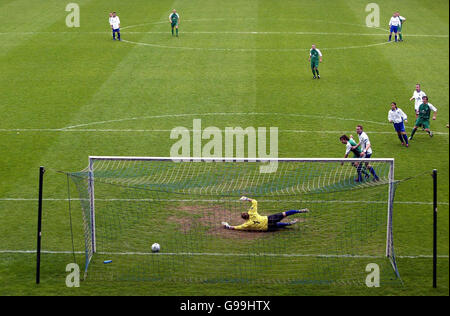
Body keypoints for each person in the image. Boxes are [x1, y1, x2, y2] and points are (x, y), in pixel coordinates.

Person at [222, 197, 309, 232]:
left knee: (277, 225)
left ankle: (289, 224)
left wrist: (228, 226)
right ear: (247, 213)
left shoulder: (247, 224)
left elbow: (237, 227)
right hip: (269, 219)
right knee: (285, 213)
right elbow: (255, 201)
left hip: (266, 228)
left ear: (244, 219)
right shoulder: (252, 212)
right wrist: (246, 198)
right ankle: (299, 211)